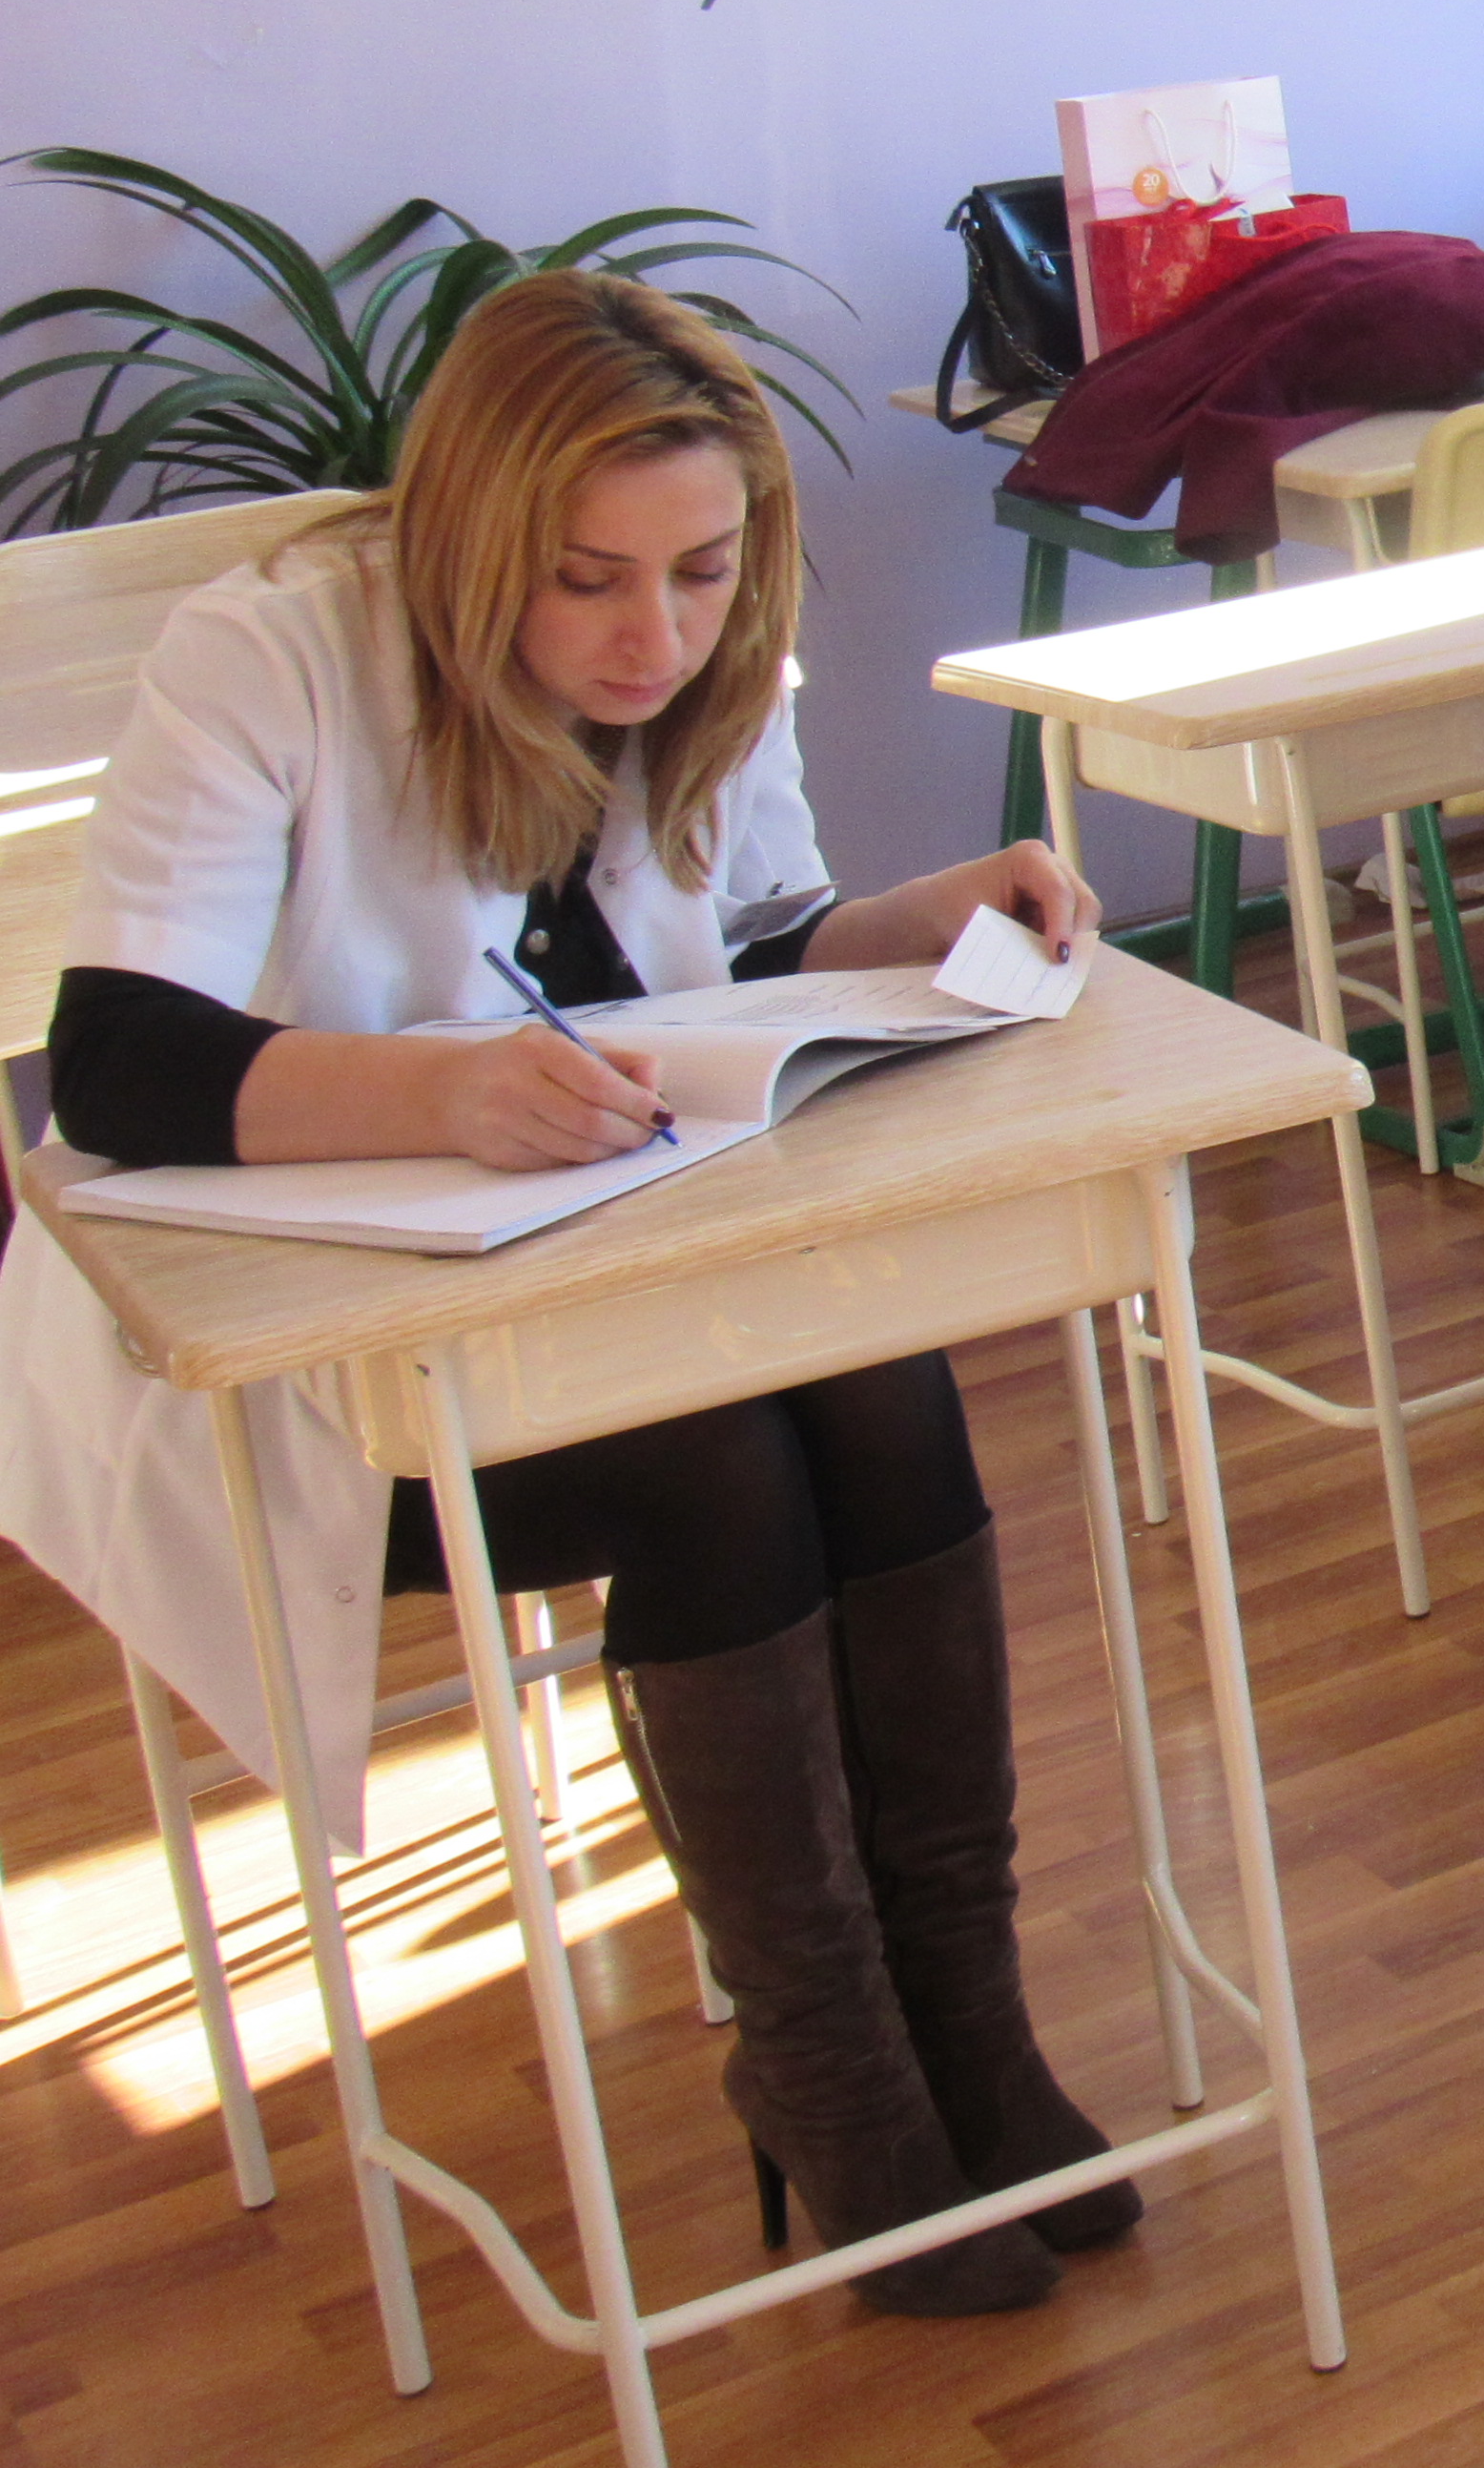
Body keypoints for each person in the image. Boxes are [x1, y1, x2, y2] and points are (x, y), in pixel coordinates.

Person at [0, 273, 1126, 2315]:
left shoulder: (708, 656)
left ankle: (967, 2024)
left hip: (613, 1267)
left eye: (702, 573)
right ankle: (828, 2068)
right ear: (468, 537)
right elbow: (117, 1065)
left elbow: (738, 944)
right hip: (315, 1359)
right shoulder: (270, 655)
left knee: (878, 1382)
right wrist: (440, 1093)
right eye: (588, 580)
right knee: (716, 1463)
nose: (653, 639)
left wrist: (920, 917)